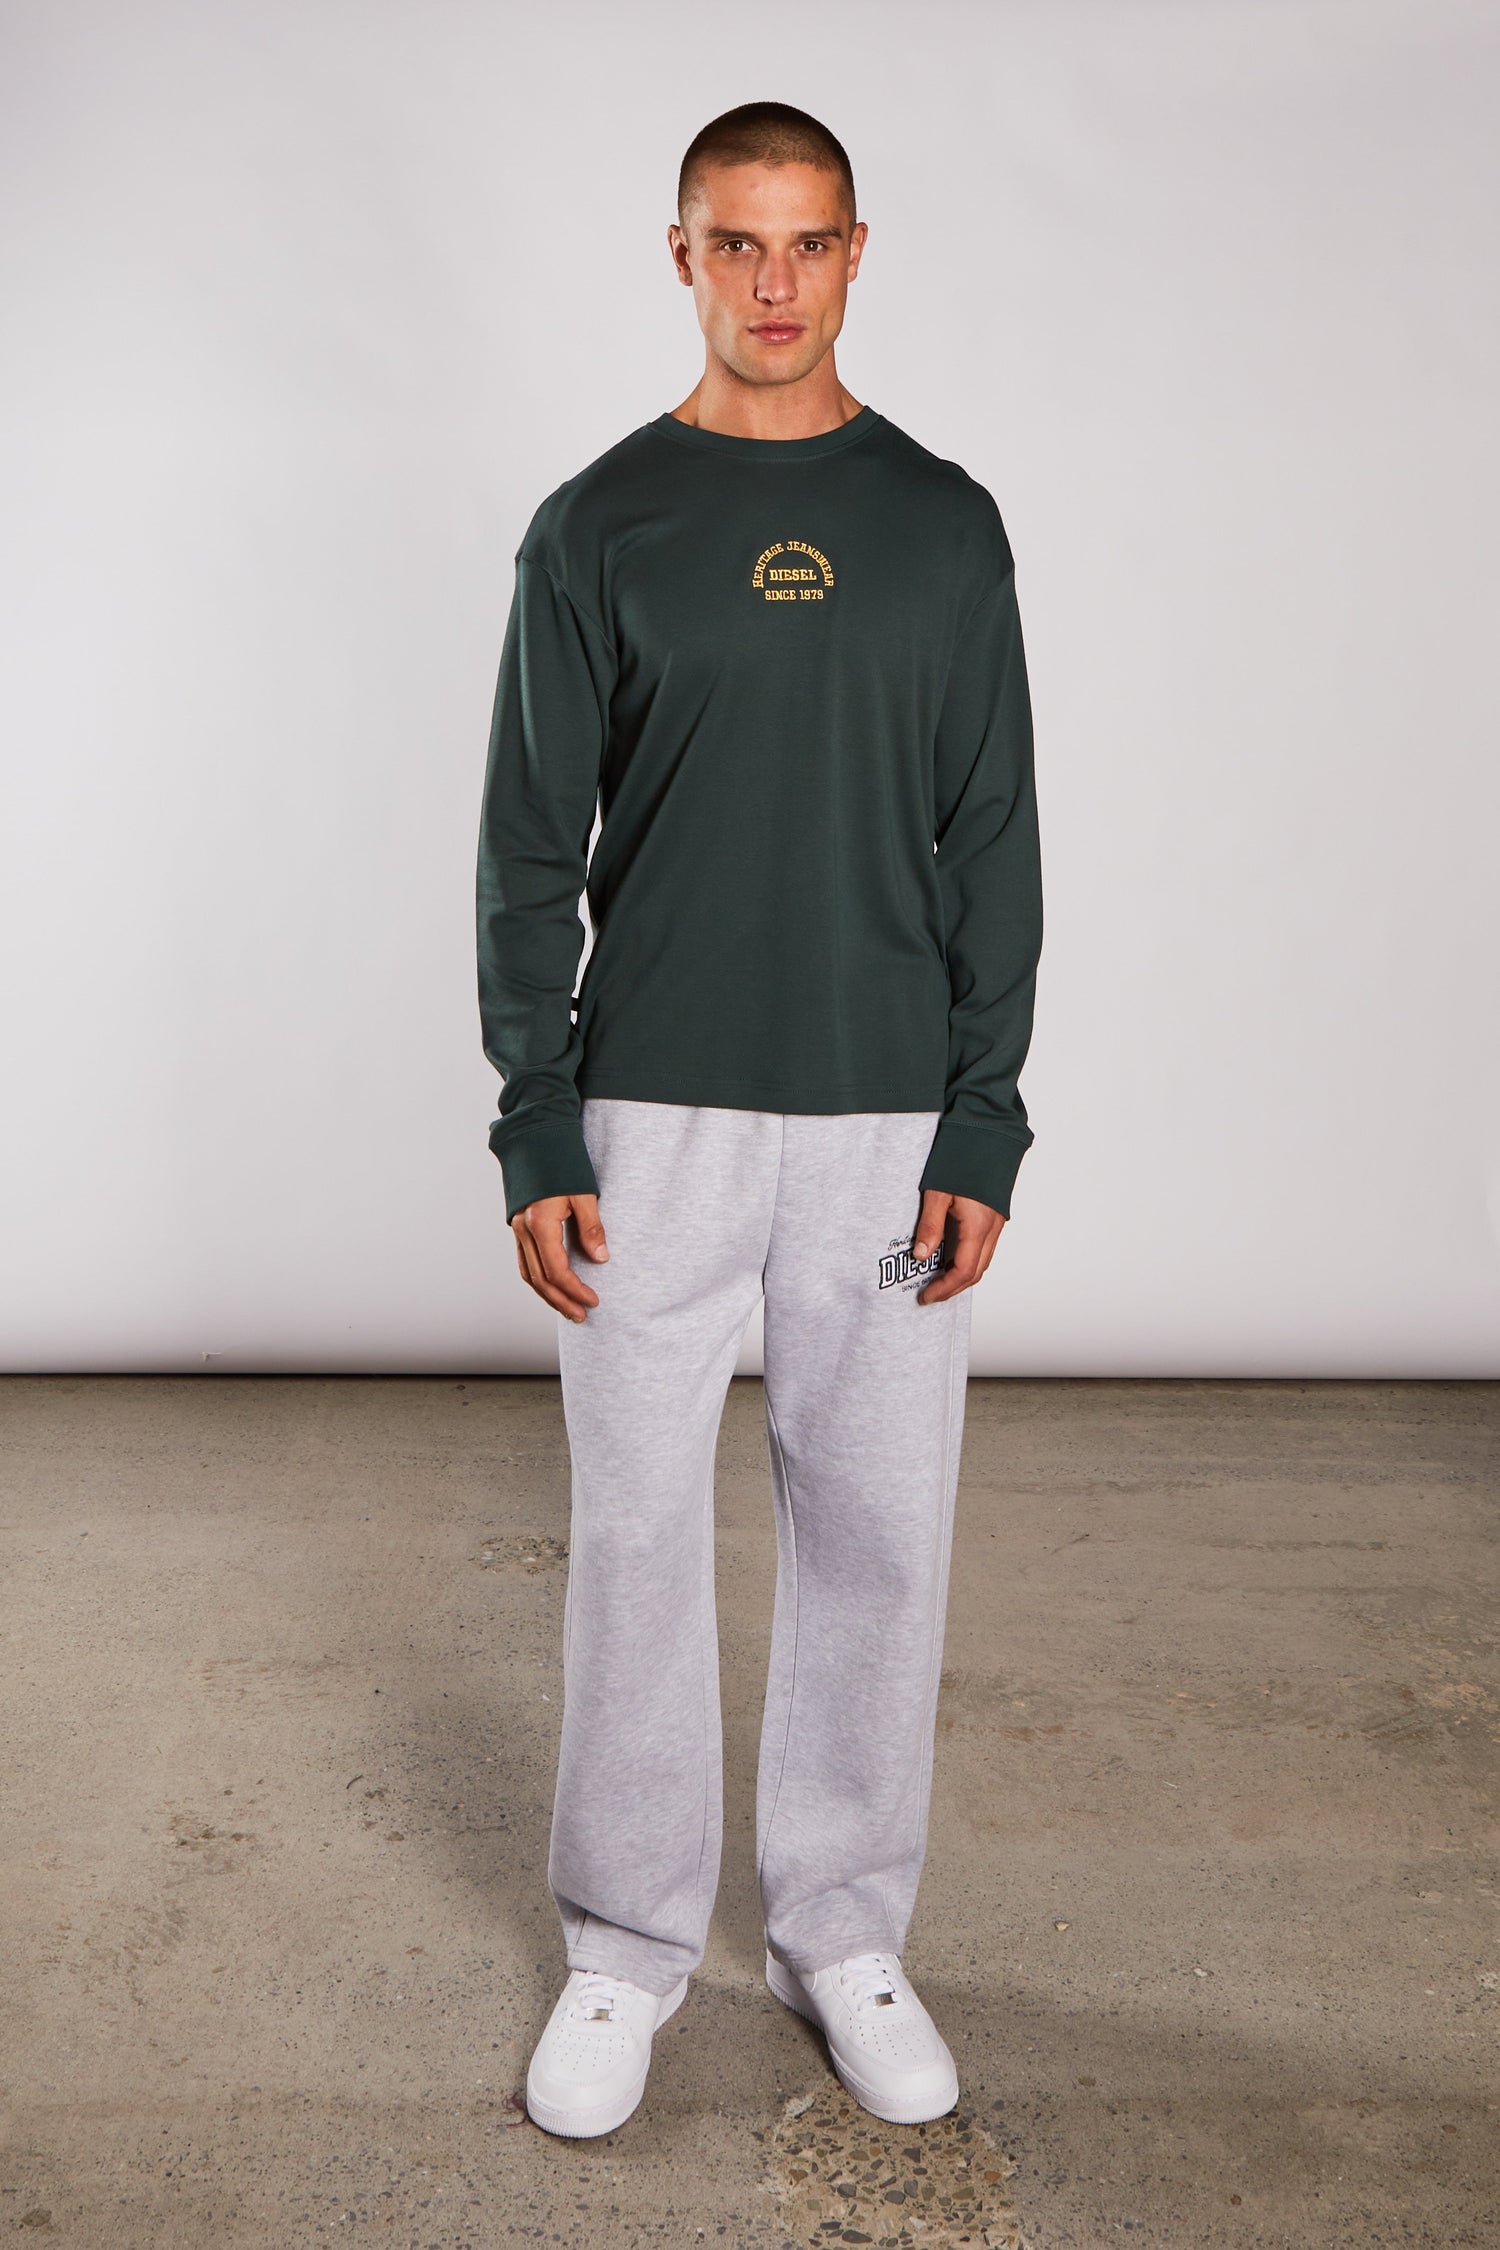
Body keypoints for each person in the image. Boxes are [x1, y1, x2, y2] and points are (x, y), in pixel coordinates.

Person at [476, 99, 1043, 2141]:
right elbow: (527, 853)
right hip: (651, 1114)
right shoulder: (597, 527)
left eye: (809, 244)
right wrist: (538, 1127)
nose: (775, 283)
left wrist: (984, 1123)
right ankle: (625, 1948)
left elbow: (994, 839)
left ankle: (842, 1932)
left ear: (857, 253)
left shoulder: (944, 525)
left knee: (877, 1530)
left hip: (887, 1112)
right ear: (683, 255)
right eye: (740, 243)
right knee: (637, 1529)